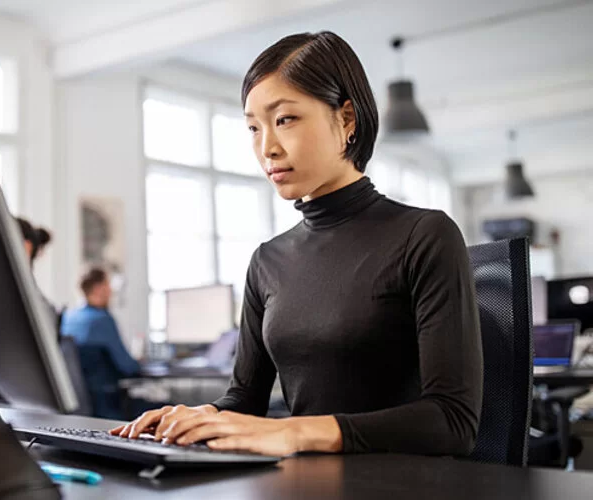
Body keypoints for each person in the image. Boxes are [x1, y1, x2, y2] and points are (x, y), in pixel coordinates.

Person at [111, 31, 483, 457]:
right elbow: (244, 400)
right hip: (304, 482)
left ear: (346, 120)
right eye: (253, 127)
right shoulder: (267, 260)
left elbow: (452, 421)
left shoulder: (424, 236)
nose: (267, 147)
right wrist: (199, 416)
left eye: (284, 119)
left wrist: (295, 432)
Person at [61, 268, 143, 419]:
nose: (111, 291)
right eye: (109, 285)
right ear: (100, 288)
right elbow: (128, 367)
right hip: (107, 405)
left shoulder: (68, 317)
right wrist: (139, 362)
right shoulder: (102, 319)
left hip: (76, 403)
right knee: (169, 407)